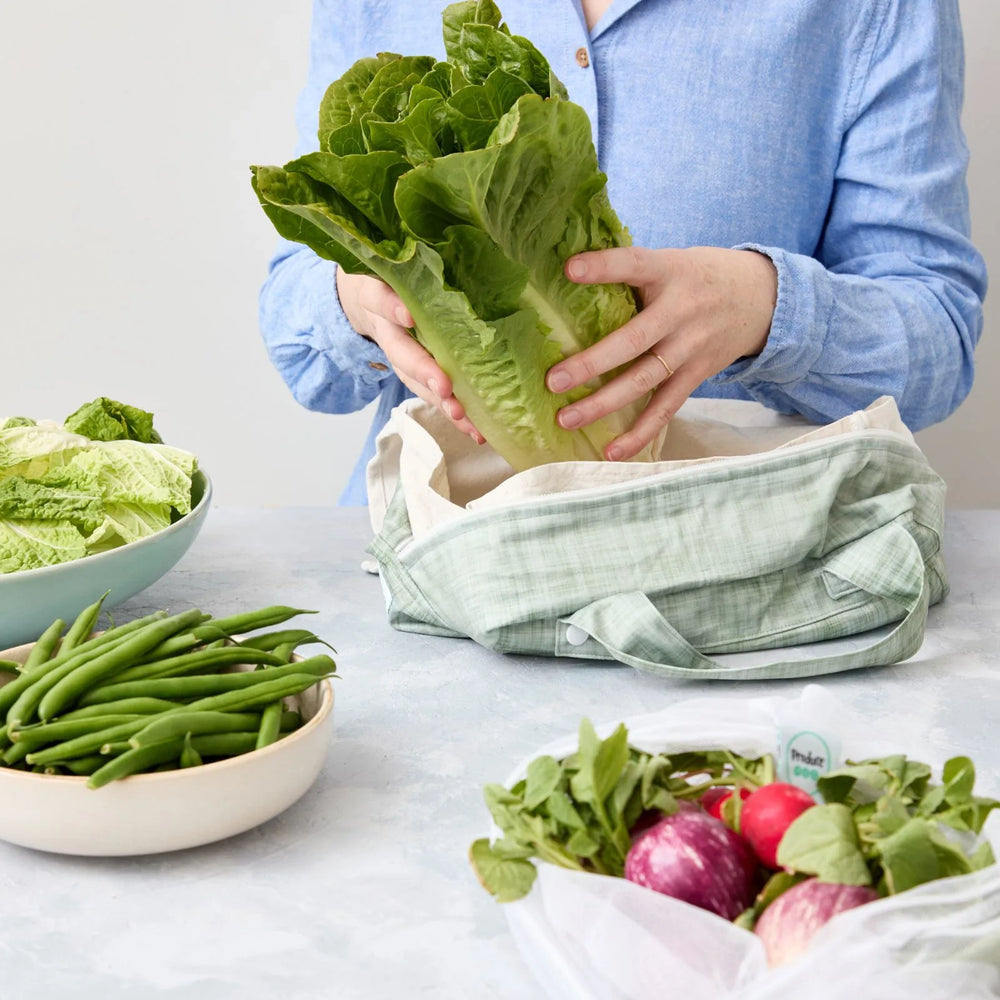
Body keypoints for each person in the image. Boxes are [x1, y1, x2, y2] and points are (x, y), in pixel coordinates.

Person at [259, 0, 987, 505]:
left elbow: (938, 344)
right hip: (441, 550)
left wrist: (766, 308)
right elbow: (300, 342)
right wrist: (355, 301)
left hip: (732, 566)